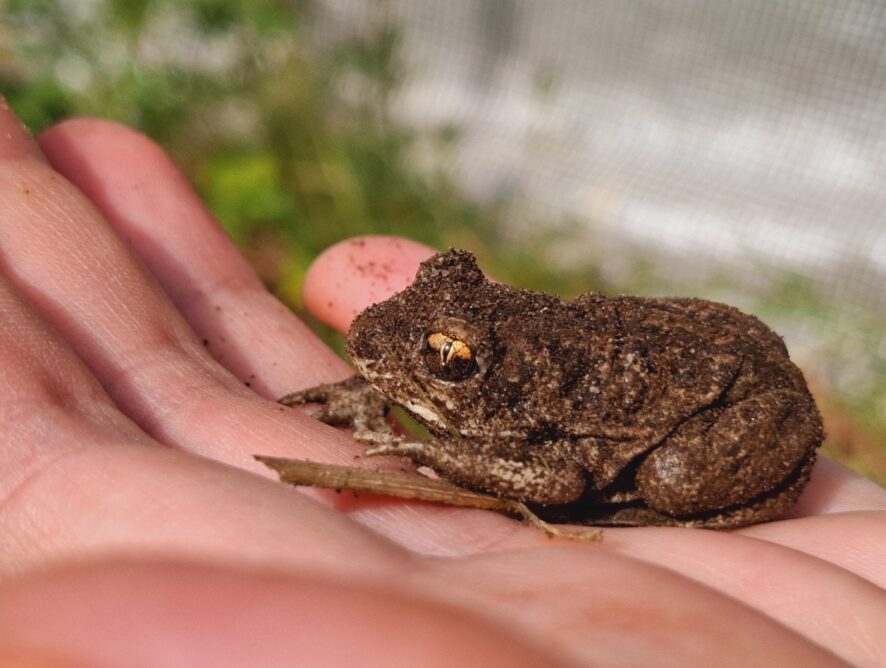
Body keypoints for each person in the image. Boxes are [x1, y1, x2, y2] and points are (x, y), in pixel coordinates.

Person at [0, 97, 882, 667]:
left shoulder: (517, 405)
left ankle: (701, 503)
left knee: (674, 478)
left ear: (478, 373)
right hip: (701, 338)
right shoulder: (473, 364)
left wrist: (442, 456)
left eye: (447, 357)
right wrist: (387, 395)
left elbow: (557, 476)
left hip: (727, 396)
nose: (374, 333)